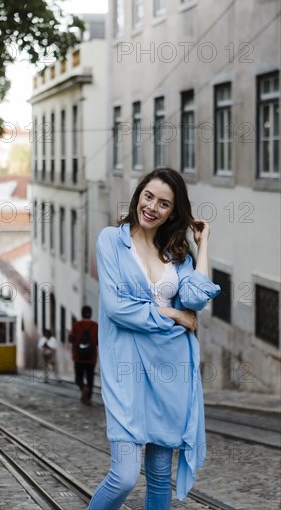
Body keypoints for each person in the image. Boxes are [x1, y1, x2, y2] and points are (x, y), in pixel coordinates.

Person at [88, 167, 221, 510]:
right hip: (127, 370)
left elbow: (196, 299)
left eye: (164, 203)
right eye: (148, 196)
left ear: (173, 212)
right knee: (125, 475)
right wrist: (173, 314)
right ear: (138, 196)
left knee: (161, 476)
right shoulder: (111, 241)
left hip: (171, 372)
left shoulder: (177, 254)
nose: (152, 207)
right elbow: (118, 308)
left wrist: (202, 245)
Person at [69, 305, 99, 406]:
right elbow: (98, 342)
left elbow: (71, 339)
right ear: (91, 313)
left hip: (78, 357)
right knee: (90, 378)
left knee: (78, 378)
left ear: (82, 313)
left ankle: (83, 388)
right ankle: (88, 399)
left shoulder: (76, 325)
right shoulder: (96, 326)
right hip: (91, 358)